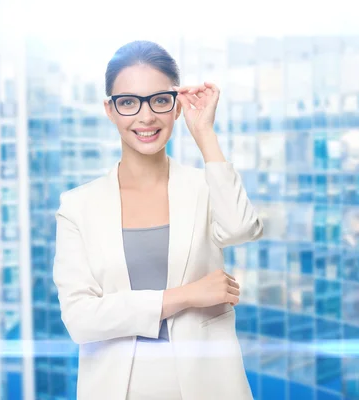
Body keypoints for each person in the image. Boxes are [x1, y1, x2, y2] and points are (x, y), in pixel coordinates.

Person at [52, 40, 263, 400]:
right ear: (110, 110)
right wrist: (184, 296)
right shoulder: (78, 207)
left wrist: (205, 135)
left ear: (176, 106)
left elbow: (241, 228)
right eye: (129, 102)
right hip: (118, 389)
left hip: (210, 387)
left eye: (159, 100)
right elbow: (81, 319)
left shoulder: (203, 186)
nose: (146, 117)